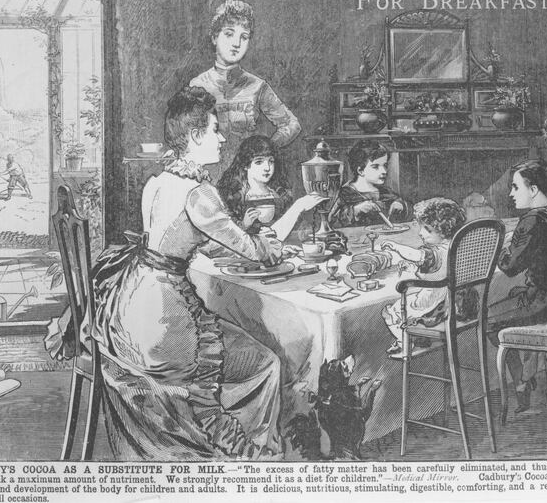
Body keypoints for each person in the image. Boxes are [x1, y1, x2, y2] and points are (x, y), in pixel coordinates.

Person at [84, 86, 322, 460]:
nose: (222, 136)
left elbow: (174, 242)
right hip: (165, 324)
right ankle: (256, 457)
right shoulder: (200, 193)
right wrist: (266, 241)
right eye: (214, 129)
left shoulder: (157, 183)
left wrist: (232, 235)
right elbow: (255, 253)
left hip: (130, 311)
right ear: (195, 137)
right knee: (268, 362)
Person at [489, 159, 547, 414]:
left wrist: (499, 248)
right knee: (512, 295)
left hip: (544, 302)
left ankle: (522, 381)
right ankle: (529, 372)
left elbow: (509, 267)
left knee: (487, 320)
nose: (511, 194)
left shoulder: (532, 220)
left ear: (533, 189)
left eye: (515, 187)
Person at [190, 0, 301, 177]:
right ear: (214, 37)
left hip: (246, 180)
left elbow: (291, 124)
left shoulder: (257, 86)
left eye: (244, 37)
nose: (236, 43)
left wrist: (265, 150)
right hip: (206, 176)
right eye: (229, 34)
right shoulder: (198, 85)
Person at [379, 198, 467, 355]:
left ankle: (404, 342)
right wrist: (412, 266)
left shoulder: (437, 252)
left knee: (390, 312)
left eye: (428, 229)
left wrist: (396, 247)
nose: (420, 233)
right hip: (452, 303)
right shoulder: (457, 248)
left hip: (432, 302)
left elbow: (418, 255)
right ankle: (418, 338)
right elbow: (434, 268)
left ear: (443, 230)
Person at [217, 135, 294, 235]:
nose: (267, 168)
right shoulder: (233, 196)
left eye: (271, 161)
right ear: (245, 165)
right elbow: (224, 233)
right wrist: (244, 225)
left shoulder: (281, 195)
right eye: (259, 162)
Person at [328, 139, 411, 227]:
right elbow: (332, 221)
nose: (384, 171)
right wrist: (356, 210)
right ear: (360, 170)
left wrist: (401, 205)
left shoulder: (385, 191)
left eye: (385, 165)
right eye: (375, 166)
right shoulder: (346, 193)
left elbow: (408, 211)